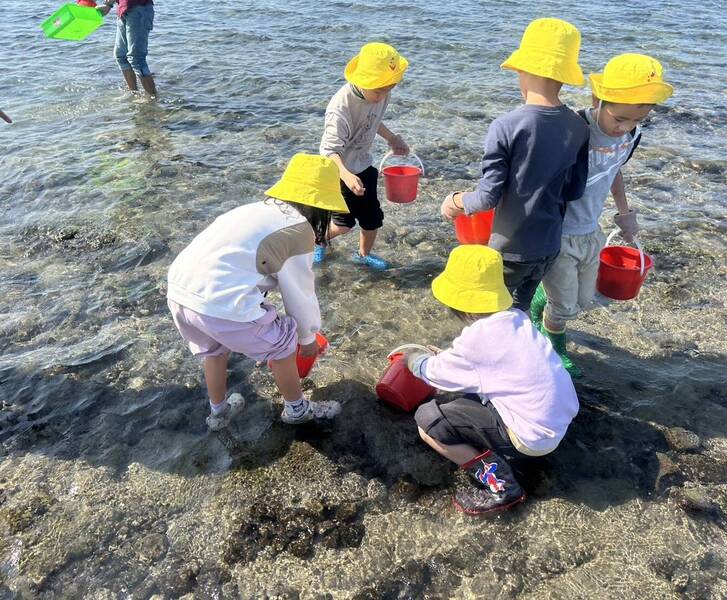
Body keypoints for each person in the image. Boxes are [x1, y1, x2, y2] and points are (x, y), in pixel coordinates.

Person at [166, 154, 345, 430]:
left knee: (214, 350)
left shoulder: (255, 210)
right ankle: (297, 410)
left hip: (180, 291)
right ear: (321, 206)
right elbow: (299, 294)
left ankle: (219, 412)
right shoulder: (298, 231)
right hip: (218, 302)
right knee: (283, 341)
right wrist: (307, 336)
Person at [406, 245, 579, 515]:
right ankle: (515, 458)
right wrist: (452, 359)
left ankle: (502, 486)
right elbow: (491, 366)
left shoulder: (478, 339)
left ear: (457, 302)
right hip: (556, 424)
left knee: (428, 420)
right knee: (468, 395)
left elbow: (433, 374)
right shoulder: (517, 319)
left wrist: (413, 361)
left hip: (530, 438)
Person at [530, 54, 674, 378]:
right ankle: (554, 347)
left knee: (583, 299)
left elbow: (614, 171)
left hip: (590, 229)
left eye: (637, 121)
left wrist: (625, 213)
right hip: (559, 233)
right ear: (598, 98)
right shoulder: (574, 131)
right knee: (566, 307)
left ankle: (543, 298)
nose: (625, 128)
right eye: (619, 118)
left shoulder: (630, 137)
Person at [441, 18, 589, 312]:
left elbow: (486, 197)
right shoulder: (579, 125)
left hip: (509, 251)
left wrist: (455, 201)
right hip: (548, 247)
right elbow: (574, 190)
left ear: (524, 70)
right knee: (518, 312)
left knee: (484, 315)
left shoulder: (506, 126)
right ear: (565, 75)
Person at [318, 42, 410, 270]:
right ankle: (316, 238)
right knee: (344, 225)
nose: (383, 97)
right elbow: (328, 151)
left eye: (389, 90)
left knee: (372, 219)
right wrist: (347, 176)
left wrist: (391, 138)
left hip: (364, 166)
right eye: (379, 91)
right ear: (362, 81)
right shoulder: (340, 108)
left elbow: (373, 121)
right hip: (340, 171)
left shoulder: (380, 93)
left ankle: (362, 255)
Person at [98, 0, 157, 96]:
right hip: (124, 9)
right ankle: (134, 94)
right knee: (121, 56)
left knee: (136, 59)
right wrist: (108, 4)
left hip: (139, 9)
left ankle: (153, 99)